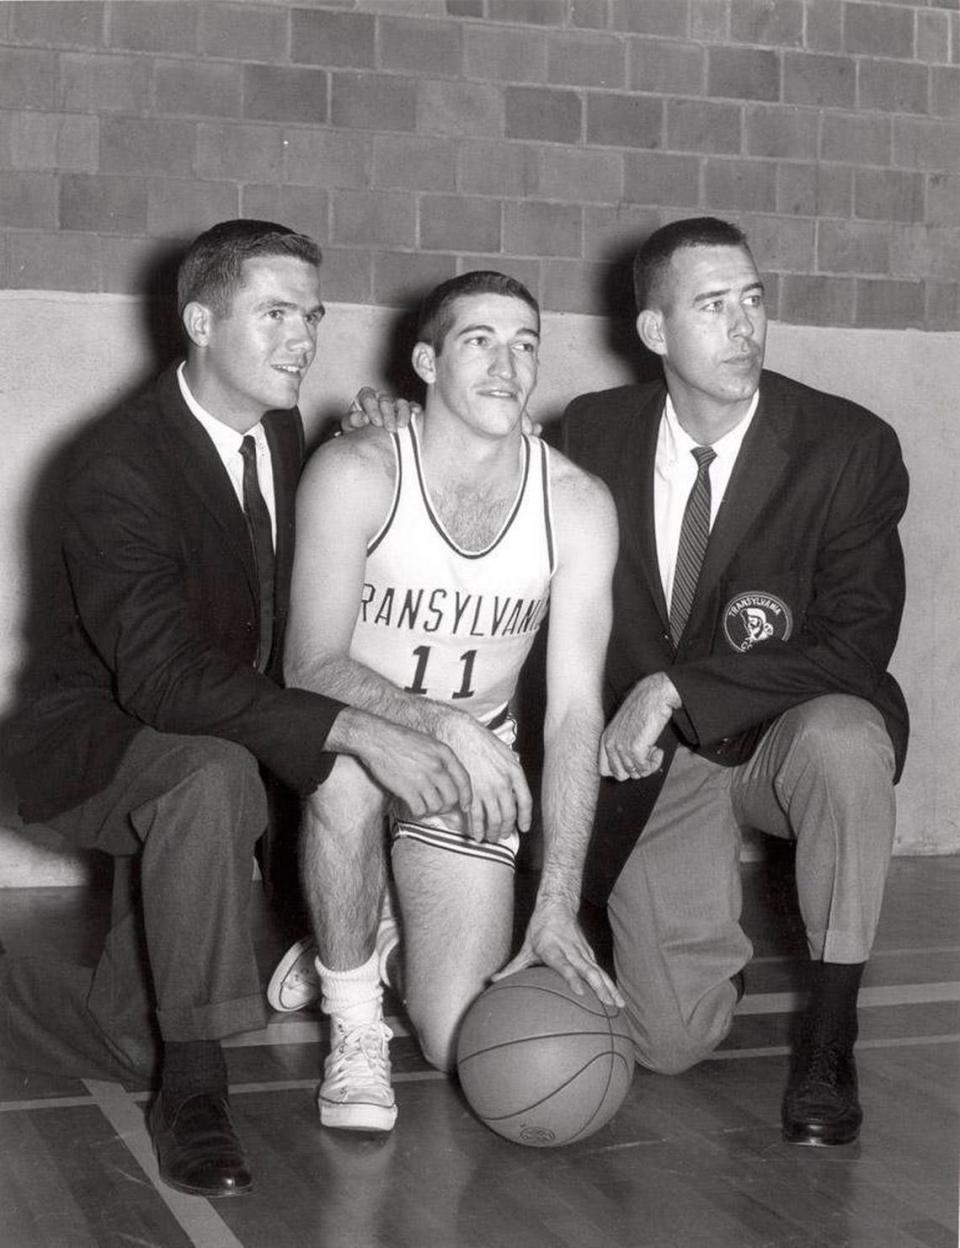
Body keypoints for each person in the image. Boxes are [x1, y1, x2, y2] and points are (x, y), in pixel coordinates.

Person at [0, 220, 471, 1197]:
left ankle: (158, 1049)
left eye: (311, 314)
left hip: (206, 740)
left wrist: (368, 463)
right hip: (94, 738)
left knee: (135, 1036)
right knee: (211, 779)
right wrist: (353, 729)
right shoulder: (118, 465)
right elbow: (164, 679)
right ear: (201, 322)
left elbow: (285, 604)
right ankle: (198, 1094)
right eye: (274, 314)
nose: (302, 337)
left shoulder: (281, 430)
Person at [563, 216, 908, 1147]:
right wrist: (388, 423)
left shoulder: (846, 445)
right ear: (654, 332)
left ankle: (831, 1038)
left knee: (845, 739)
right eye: (712, 306)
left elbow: (856, 644)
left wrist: (679, 687)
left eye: (753, 299)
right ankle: (709, 958)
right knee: (670, 1043)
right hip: (663, 767)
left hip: (788, 739)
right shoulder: (594, 431)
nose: (744, 325)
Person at [269, 270, 621, 1133]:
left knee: (456, 1033)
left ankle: (363, 937)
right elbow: (309, 665)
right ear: (425, 360)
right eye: (480, 341)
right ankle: (353, 1029)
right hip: (358, 727)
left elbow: (576, 711)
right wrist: (444, 725)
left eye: (526, 344)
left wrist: (557, 899)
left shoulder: (576, 504)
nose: (509, 365)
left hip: (475, 754)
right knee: (347, 773)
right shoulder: (356, 469)